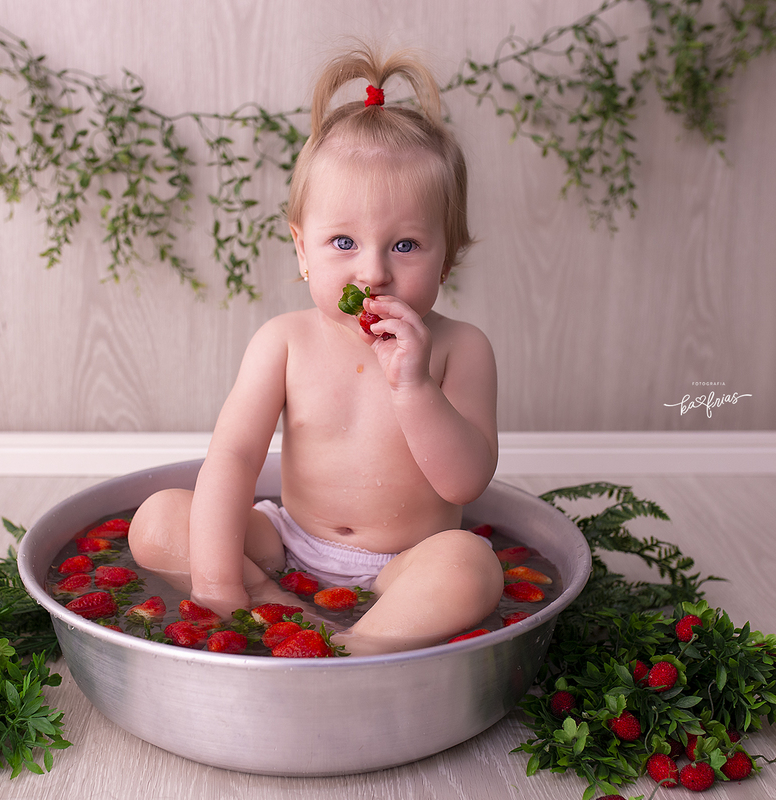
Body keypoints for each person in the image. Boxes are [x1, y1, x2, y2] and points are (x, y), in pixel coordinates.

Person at [129, 44, 502, 655]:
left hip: (404, 562)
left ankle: (358, 647)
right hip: (286, 541)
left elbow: (465, 483)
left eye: (405, 246)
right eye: (343, 242)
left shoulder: (461, 348)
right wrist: (219, 580)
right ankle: (269, 607)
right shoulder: (283, 340)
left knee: (469, 565)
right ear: (303, 250)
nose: (373, 272)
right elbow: (233, 458)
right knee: (159, 518)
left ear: (449, 254)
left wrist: (415, 387)